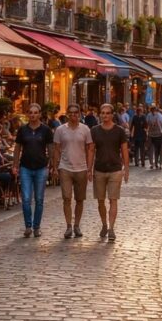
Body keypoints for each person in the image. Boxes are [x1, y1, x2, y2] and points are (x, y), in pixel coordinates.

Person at [89, 103, 129, 242]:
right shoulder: (94, 130)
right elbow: (91, 150)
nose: (105, 115)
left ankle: (111, 228)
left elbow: (124, 150)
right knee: (100, 201)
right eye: (103, 113)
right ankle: (104, 224)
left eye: (107, 113)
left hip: (115, 169)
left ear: (112, 115)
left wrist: (127, 169)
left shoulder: (119, 131)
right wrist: (89, 168)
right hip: (99, 169)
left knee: (113, 199)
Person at [52, 104, 93, 239]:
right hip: (65, 168)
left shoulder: (85, 129)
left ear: (80, 114)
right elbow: (56, 149)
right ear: (67, 114)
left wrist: (89, 168)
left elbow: (89, 149)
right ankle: (69, 226)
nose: (73, 115)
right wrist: (55, 166)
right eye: (71, 113)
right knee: (66, 197)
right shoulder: (60, 130)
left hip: (81, 168)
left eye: (76, 113)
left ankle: (77, 225)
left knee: (80, 199)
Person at [13, 103, 53, 238]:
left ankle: (37, 227)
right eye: (30, 112)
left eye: (35, 112)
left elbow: (51, 148)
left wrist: (52, 164)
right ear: (27, 114)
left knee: (39, 199)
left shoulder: (46, 130)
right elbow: (17, 148)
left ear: (40, 114)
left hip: (41, 167)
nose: (33, 115)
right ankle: (28, 226)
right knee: (25, 199)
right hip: (25, 167)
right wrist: (15, 165)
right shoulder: (23, 130)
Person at [147, 105, 162, 169]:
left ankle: (157, 163)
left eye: (154, 110)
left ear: (156, 110)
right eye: (152, 111)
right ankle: (151, 163)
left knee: (157, 150)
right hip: (150, 135)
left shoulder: (160, 116)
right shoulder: (149, 115)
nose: (153, 112)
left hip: (158, 135)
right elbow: (147, 123)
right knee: (150, 149)